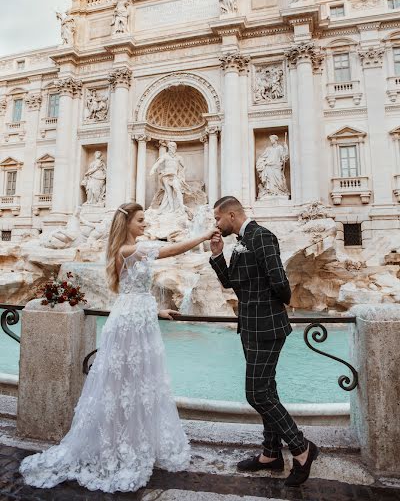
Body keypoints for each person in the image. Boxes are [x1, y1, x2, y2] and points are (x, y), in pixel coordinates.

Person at [20, 202, 218, 493]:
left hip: (139, 319)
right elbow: (169, 252)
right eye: (140, 220)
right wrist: (202, 237)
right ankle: (117, 443)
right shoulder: (126, 251)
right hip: (128, 324)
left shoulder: (129, 250)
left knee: (138, 383)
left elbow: (136, 290)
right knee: (122, 384)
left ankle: (133, 439)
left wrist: (158, 311)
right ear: (126, 224)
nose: (145, 224)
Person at [209, 196, 319, 487]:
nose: (216, 224)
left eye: (218, 219)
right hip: (250, 328)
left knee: (256, 394)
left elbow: (280, 282)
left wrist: (273, 308)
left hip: (267, 327)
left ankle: (301, 448)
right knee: (267, 389)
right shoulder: (239, 242)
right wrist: (218, 255)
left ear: (231, 215)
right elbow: (231, 282)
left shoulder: (262, 237)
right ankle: (271, 454)